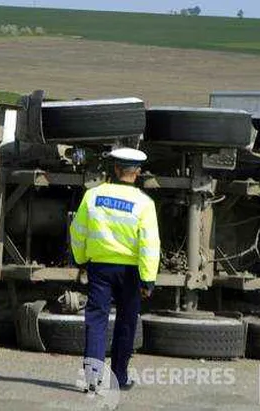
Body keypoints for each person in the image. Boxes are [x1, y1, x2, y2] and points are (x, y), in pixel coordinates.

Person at [69, 147, 160, 393]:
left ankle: (91, 377)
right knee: (126, 322)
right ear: (138, 172)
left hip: (99, 268)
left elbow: (77, 231)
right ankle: (119, 377)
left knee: (96, 319)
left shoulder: (93, 195)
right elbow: (149, 244)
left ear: (115, 169)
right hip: (130, 272)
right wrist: (148, 279)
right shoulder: (144, 203)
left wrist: (82, 259)